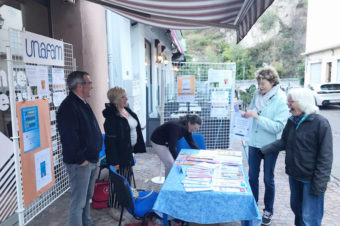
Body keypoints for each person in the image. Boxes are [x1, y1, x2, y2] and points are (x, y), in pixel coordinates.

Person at [261, 88, 333, 226]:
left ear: (303, 102)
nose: (288, 104)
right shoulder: (292, 121)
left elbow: (326, 157)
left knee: (310, 218)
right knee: (298, 212)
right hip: (294, 176)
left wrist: (320, 184)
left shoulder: (320, 123)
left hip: (311, 180)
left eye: (291, 101)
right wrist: (264, 150)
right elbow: (284, 141)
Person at [241, 66, 289, 225]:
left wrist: (257, 117)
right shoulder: (256, 94)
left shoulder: (281, 99)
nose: (260, 87)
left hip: (270, 145)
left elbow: (278, 127)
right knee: (252, 176)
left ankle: (268, 210)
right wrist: (247, 113)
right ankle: (252, 205)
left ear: (273, 82)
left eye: (263, 84)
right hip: (254, 142)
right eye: (259, 83)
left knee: (268, 178)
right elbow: (253, 109)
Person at [57, 71, 102, 226]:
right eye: (89, 83)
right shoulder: (68, 107)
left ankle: (87, 223)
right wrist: (81, 159)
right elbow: (69, 138)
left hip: (91, 159)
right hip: (80, 163)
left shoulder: (82, 102)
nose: (91, 86)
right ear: (79, 86)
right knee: (79, 202)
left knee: (87, 198)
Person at [102, 87, 146, 208]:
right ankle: (114, 206)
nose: (126, 98)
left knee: (127, 178)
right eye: (123, 97)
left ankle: (124, 203)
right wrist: (114, 162)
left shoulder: (126, 110)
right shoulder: (111, 118)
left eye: (126, 96)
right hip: (119, 154)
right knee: (118, 182)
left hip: (128, 151)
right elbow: (110, 143)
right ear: (115, 100)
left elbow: (128, 127)